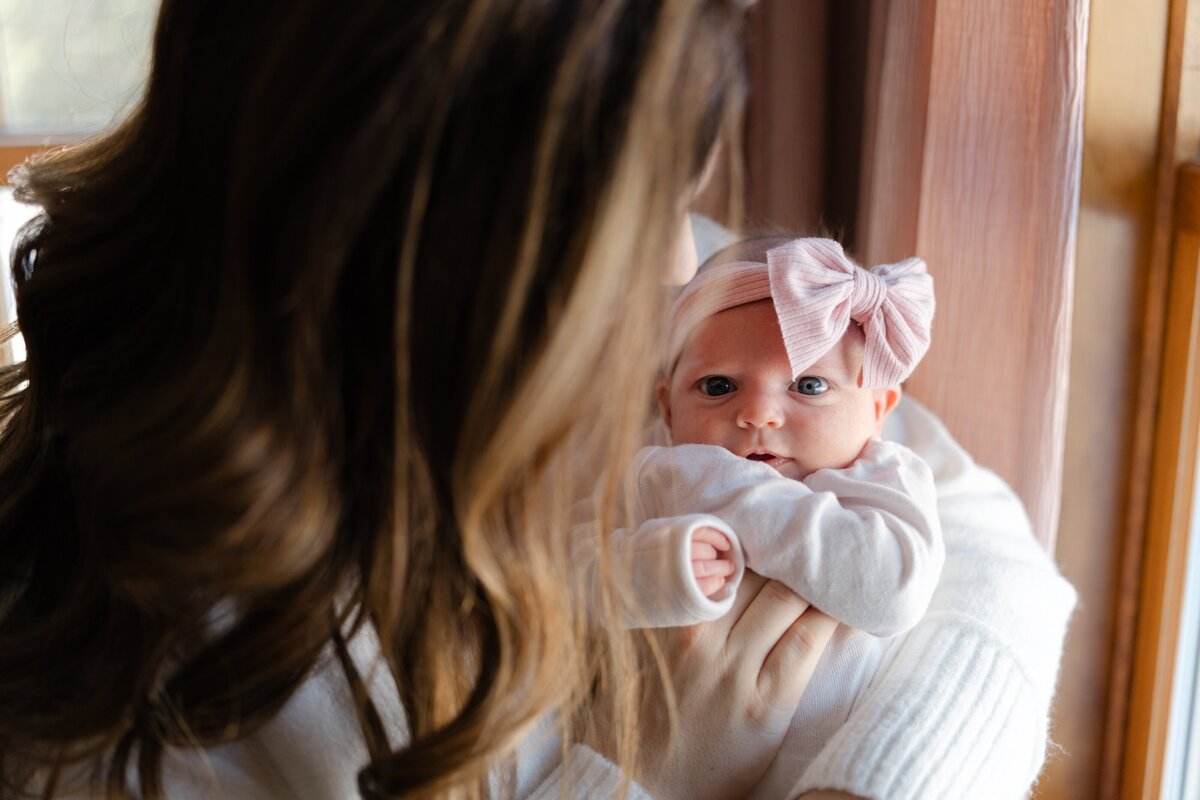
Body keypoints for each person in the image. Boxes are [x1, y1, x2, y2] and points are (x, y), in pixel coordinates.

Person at [0, 2, 842, 799]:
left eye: (679, 202)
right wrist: (649, 778)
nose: (681, 267)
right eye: (641, 212)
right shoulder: (162, 696)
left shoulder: (589, 331)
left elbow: (920, 498)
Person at [574, 235, 944, 795]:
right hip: (648, 763)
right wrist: (650, 570)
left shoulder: (883, 479)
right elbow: (561, 579)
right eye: (718, 386)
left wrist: (728, 488)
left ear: (877, 409)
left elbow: (893, 591)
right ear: (668, 408)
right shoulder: (656, 474)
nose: (758, 414)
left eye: (809, 385)